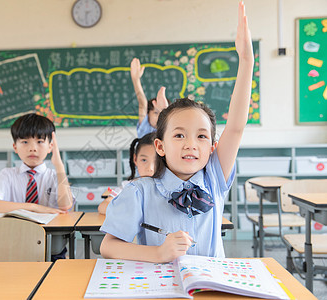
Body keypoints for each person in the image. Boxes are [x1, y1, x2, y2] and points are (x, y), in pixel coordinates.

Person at [100, 1, 253, 263]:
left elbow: (236, 126)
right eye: (179, 135)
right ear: (160, 146)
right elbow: (109, 246)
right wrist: (158, 252)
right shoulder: (140, 191)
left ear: (212, 146)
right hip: (160, 287)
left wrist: (246, 60)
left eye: (202, 136)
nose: (191, 144)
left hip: (209, 288)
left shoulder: (214, 178)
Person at [0, 113, 74, 260]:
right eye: (25, 142)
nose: (32, 148)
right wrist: (32, 207)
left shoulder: (54, 176)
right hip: (14, 244)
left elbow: (66, 206)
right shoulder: (7, 174)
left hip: (49, 245)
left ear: (50, 146)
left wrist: (59, 165)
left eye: (40, 142)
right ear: (15, 147)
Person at [98, 132, 156, 215]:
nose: (150, 168)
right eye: (144, 160)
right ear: (135, 159)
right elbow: (103, 206)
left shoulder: (169, 187)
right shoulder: (128, 186)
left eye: (157, 161)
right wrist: (128, 208)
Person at [131, 58, 169, 138]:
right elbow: (142, 103)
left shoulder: (170, 131)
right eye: (156, 113)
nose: (159, 117)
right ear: (147, 115)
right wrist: (136, 80)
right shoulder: (145, 129)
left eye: (162, 113)